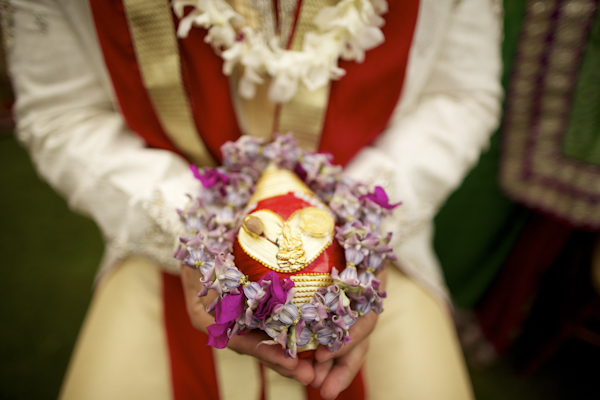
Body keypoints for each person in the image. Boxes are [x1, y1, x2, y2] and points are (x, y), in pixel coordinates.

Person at [4, 0, 502, 399]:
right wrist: (199, 232)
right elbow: (62, 113)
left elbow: (459, 95)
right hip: (165, 235)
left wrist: (355, 227)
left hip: (371, 253)